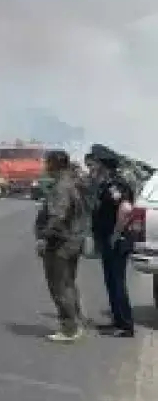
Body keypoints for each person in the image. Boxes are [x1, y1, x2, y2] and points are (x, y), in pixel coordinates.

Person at [34, 149, 88, 342]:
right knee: (69, 284)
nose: (45, 166)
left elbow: (58, 217)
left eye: (47, 162)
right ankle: (76, 321)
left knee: (59, 286)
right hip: (73, 242)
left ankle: (69, 329)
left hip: (60, 245)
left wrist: (44, 239)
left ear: (55, 164)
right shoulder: (70, 182)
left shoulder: (61, 187)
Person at [88, 144, 137, 338]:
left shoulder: (116, 185)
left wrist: (115, 235)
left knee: (117, 282)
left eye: (94, 162)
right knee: (111, 282)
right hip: (110, 240)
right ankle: (118, 321)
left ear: (103, 164)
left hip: (116, 241)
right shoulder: (106, 183)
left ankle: (125, 326)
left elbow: (125, 209)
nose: (91, 165)